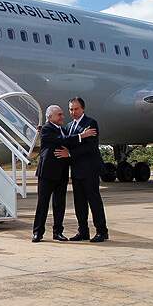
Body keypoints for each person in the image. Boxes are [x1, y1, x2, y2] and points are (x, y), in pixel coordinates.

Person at [33, 105, 98, 242]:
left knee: (59, 204)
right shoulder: (46, 129)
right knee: (43, 203)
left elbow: (68, 140)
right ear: (50, 117)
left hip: (61, 173)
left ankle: (57, 232)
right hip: (47, 173)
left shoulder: (63, 129)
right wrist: (81, 135)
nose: (63, 117)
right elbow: (61, 140)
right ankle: (38, 232)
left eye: (62, 114)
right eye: (59, 114)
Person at [56, 97, 109, 243]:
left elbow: (90, 147)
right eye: (71, 109)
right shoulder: (69, 126)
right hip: (76, 170)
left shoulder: (90, 123)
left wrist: (70, 153)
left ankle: (101, 231)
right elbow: (65, 140)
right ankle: (83, 231)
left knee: (94, 201)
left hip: (90, 169)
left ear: (83, 109)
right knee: (79, 203)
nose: (73, 112)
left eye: (76, 109)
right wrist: (80, 136)